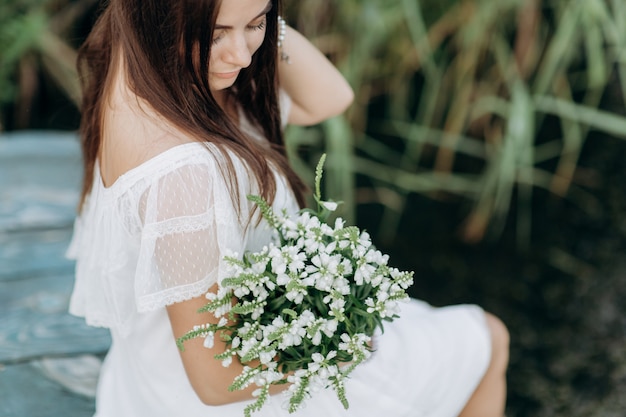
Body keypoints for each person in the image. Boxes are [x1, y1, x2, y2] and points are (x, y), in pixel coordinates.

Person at [67, 0, 509, 416]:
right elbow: (214, 381)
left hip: (163, 361)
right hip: (220, 396)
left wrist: (247, 16)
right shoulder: (182, 174)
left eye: (256, 24)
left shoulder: (143, 60)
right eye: (216, 33)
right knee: (488, 338)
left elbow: (332, 97)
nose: (241, 56)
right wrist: (337, 348)